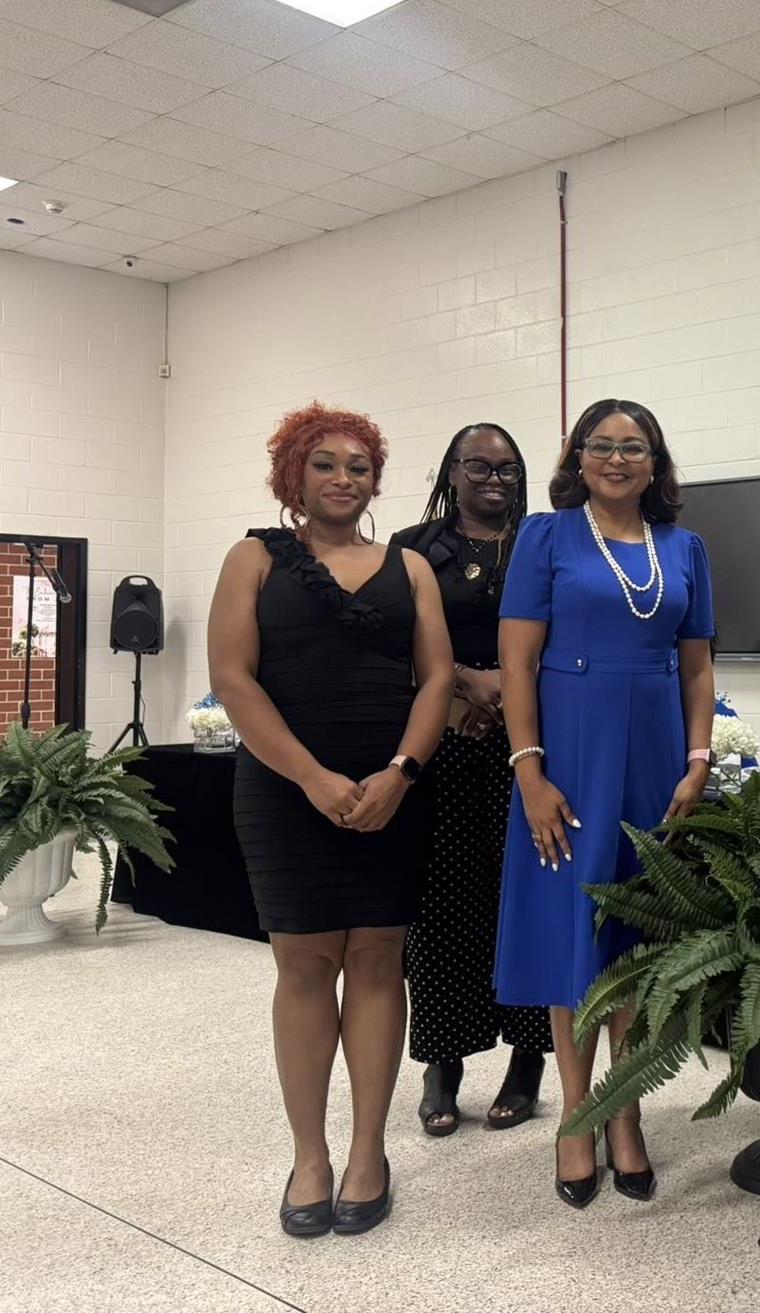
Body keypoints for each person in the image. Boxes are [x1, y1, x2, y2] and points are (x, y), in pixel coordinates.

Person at [207, 402, 453, 1238]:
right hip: (285, 792)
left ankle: (366, 1152)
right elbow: (234, 680)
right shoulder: (253, 560)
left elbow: (436, 679)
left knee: (380, 959)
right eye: (325, 464)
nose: (343, 477)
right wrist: (312, 778)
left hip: (394, 791)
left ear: (375, 479)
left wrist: (400, 773)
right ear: (293, 476)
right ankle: (308, 1154)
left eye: (358, 465)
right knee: (306, 965)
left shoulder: (409, 569)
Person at [493, 399, 716, 1211]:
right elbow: (516, 664)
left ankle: (625, 1112)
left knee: (633, 947)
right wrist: (530, 771)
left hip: (656, 759)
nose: (618, 458)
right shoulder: (545, 537)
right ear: (578, 457)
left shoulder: (685, 548)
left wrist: (698, 762)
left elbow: (696, 669)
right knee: (574, 945)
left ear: (655, 463)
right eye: (602, 445)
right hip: (570, 760)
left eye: (635, 447)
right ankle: (576, 1120)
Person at [390, 424, 553, 1139]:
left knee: (527, 900)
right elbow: (394, 640)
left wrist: (508, 690)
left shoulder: (546, 541)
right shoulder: (414, 547)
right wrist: (464, 685)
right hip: (445, 740)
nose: (495, 477)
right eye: (479, 465)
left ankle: (527, 1063)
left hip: (532, 746)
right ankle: (442, 1063)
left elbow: (573, 635)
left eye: (509, 468)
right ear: (451, 471)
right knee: (445, 904)